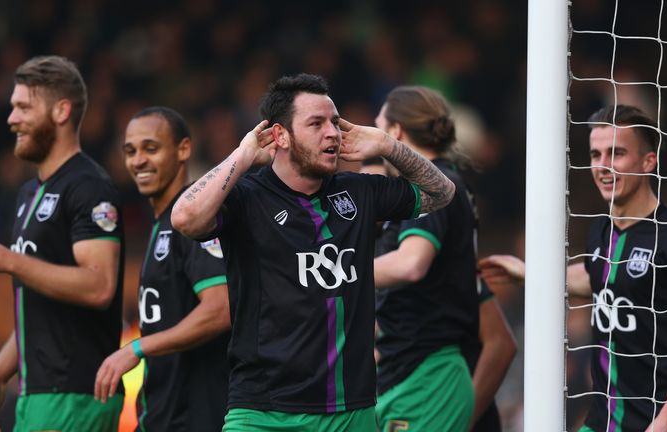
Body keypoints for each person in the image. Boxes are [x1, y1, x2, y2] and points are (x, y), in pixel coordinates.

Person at [170, 73, 455, 431]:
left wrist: (387, 145)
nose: (333, 133)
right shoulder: (246, 198)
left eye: (335, 122)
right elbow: (185, 218)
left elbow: (442, 193)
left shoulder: (359, 191)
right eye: (316, 124)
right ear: (281, 136)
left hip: (350, 413)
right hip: (264, 412)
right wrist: (241, 156)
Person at [481, 104, 667, 431]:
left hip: (662, 422)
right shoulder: (601, 231)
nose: (603, 166)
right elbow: (595, 275)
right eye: (596, 155)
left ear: (649, 161)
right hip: (606, 419)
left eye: (616, 153)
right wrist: (528, 273)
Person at [0, 55, 125, 431]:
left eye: (23, 107)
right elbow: (40, 308)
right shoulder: (29, 194)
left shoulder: (89, 188)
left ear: (61, 111)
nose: (11, 119)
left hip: (76, 394)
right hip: (38, 394)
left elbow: (100, 285)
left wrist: (8, 260)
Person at [368, 86, 516, 431]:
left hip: (430, 382)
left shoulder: (433, 186)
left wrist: (339, 274)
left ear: (395, 133)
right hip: (416, 378)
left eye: (376, 129)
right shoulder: (442, 189)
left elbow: (412, 263)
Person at [93, 107, 231, 431]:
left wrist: (137, 348)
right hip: (162, 414)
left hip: (195, 418)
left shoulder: (193, 220)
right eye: (130, 151)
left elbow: (221, 308)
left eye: (151, 148)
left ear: (183, 149)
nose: (138, 160)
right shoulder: (162, 224)